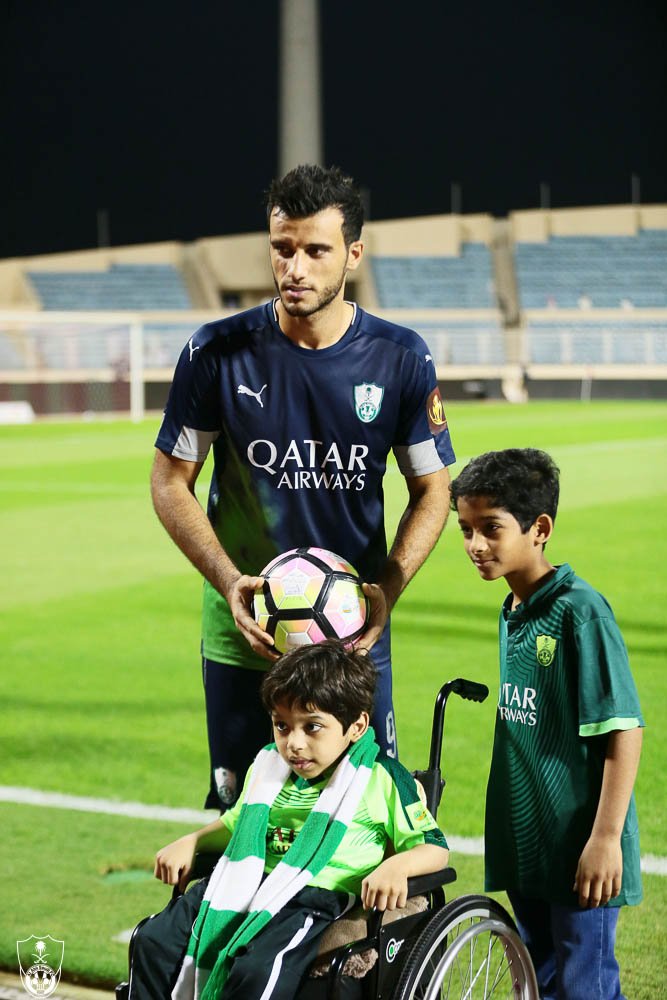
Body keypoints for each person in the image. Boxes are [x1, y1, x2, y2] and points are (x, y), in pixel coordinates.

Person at [151, 163, 455, 810]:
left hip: (351, 626)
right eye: (281, 248)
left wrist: (387, 590)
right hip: (246, 627)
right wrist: (228, 580)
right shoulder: (215, 352)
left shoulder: (400, 358)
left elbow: (432, 489)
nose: (295, 268)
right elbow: (170, 481)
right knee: (242, 818)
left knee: (366, 813)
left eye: (315, 251)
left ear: (351, 254)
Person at [128, 640, 449, 1000]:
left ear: (356, 726)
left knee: (258, 970)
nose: (293, 744)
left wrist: (397, 867)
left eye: (311, 727)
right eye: (282, 726)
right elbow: (239, 825)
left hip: (314, 897)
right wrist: (193, 842)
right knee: (153, 941)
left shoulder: (381, 778)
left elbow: (434, 848)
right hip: (244, 880)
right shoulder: (267, 767)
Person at [450, 448, 643, 1000]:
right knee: (539, 981)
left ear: (540, 528)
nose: (474, 546)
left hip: (579, 847)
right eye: (465, 529)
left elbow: (623, 729)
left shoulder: (580, 611)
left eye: (490, 528)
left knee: (586, 987)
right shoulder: (514, 608)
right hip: (529, 842)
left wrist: (605, 839)